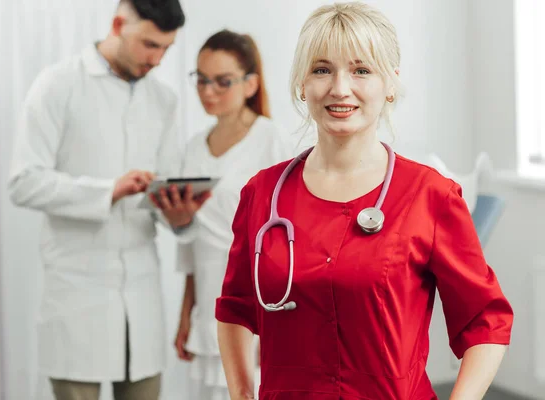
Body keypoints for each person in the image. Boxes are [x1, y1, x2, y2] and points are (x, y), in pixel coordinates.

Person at [215, 2, 514, 400]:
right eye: (322, 69)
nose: (340, 88)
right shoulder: (262, 194)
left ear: (390, 83)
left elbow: (486, 321)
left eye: (361, 70)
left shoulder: (430, 195)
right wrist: (241, 393)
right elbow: (235, 308)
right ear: (301, 84)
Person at [8, 1, 208, 399]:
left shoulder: (164, 100)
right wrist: (108, 191)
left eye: (167, 49)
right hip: (76, 295)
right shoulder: (58, 84)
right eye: (150, 45)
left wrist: (180, 216)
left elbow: (165, 190)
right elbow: (23, 182)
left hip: (142, 294)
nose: (158, 59)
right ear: (118, 25)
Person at [170, 30, 294, 400]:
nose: (208, 91)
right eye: (202, 79)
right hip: (207, 302)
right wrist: (185, 314)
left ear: (251, 83)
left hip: (257, 307)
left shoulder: (272, 142)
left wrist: (276, 322)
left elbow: (289, 240)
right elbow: (192, 246)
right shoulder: (194, 148)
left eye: (222, 82)